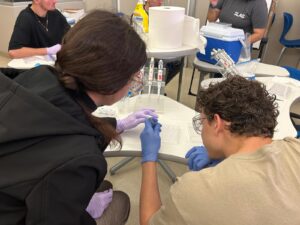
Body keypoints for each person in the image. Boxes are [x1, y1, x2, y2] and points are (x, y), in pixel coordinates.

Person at [0, 10, 157, 225]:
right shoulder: (82, 159)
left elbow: (55, 123)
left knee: (103, 187)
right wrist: (84, 215)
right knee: (119, 201)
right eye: (133, 77)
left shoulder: (36, 76)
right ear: (112, 82)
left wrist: (116, 125)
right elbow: (67, 151)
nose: (133, 82)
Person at [139, 75, 300, 225]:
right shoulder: (295, 148)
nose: (201, 130)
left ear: (216, 123)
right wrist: (225, 158)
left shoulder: (193, 190)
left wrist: (149, 159)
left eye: (201, 123)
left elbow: (148, 221)